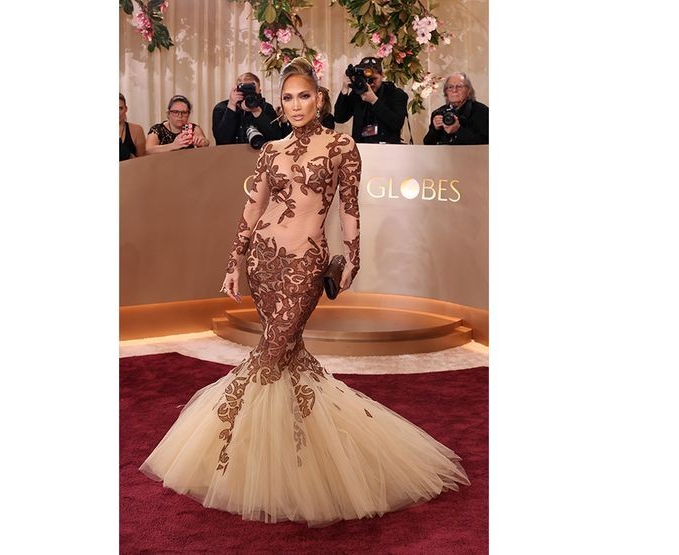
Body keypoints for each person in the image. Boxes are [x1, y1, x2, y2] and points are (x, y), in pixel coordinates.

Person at [140, 57, 469, 526]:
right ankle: (293, 460)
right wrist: (234, 261)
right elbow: (252, 209)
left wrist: (353, 255)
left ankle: (229, 452)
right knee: (287, 357)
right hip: (264, 263)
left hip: (305, 264)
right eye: (288, 98)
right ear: (281, 103)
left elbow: (350, 207)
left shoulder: (341, 145)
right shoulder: (270, 150)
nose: (295, 105)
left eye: (304, 96)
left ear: (320, 98)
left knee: (270, 354)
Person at [333, 56, 408, 144]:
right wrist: (344, 89)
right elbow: (339, 118)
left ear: (382, 75)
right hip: (361, 147)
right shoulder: (358, 93)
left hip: (387, 149)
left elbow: (397, 124)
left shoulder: (395, 93)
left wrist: (374, 101)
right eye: (366, 80)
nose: (370, 83)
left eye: (374, 79)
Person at [212, 73, 289, 145]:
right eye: (244, 90)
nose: (248, 93)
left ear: (259, 91)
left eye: (251, 90)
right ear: (237, 90)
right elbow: (221, 141)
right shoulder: (221, 108)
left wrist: (257, 111)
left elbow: (276, 139)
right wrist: (231, 106)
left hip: (260, 156)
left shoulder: (266, 107)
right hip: (231, 155)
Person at [423, 73, 489, 145]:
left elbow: (485, 143)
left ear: (468, 90)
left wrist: (458, 130)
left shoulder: (482, 112)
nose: (454, 90)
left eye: (459, 86)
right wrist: (435, 129)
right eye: (450, 87)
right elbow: (427, 144)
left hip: (471, 156)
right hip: (443, 156)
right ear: (446, 92)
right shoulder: (438, 113)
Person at [119, 93, 146, 161]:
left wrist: (127, 154)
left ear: (126, 109)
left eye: (120, 108)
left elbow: (142, 162)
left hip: (131, 170)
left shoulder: (137, 130)